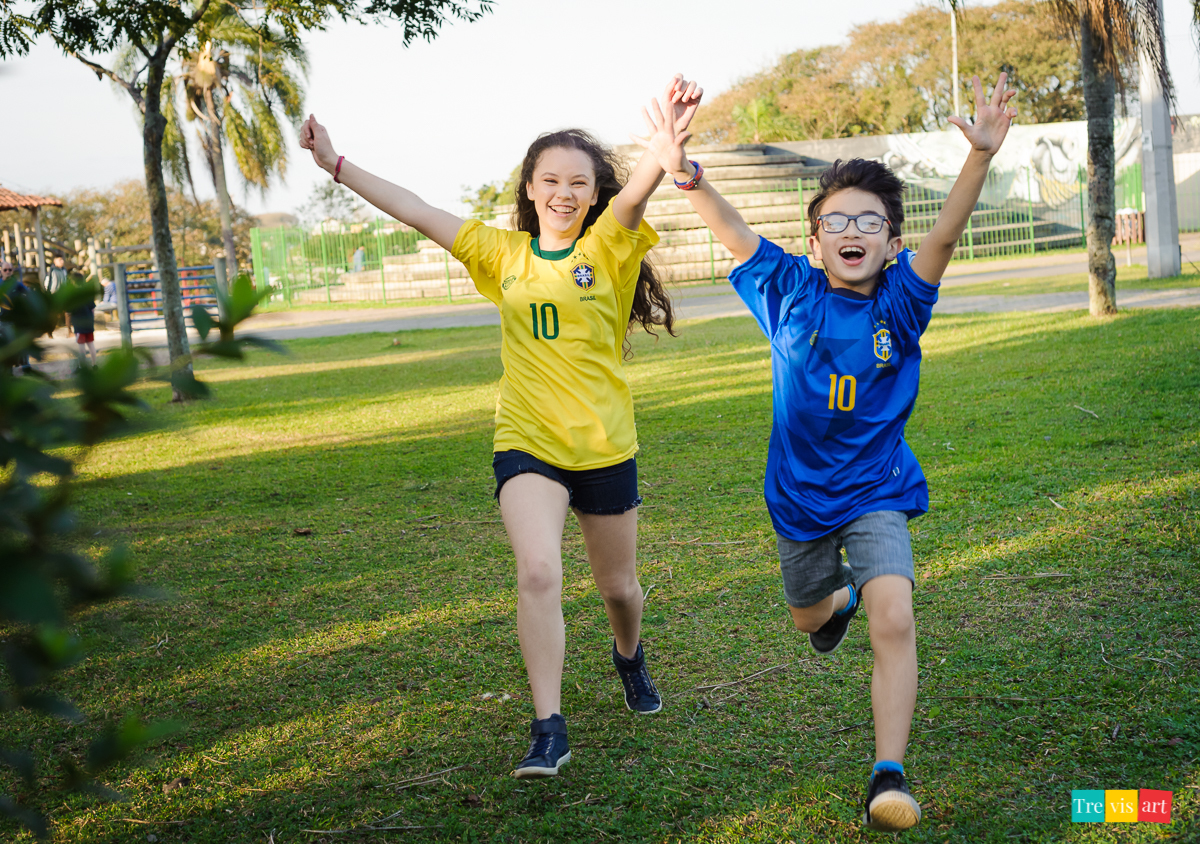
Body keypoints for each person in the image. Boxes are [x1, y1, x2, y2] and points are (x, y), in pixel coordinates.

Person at [636, 73, 1017, 832]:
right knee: (810, 619)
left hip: (877, 489)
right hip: (799, 501)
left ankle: (887, 773)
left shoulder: (902, 303)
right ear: (814, 243)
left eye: (870, 222)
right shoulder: (788, 293)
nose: (853, 230)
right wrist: (683, 169)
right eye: (837, 220)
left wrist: (978, 158)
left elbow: (944, 235)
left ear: (890, 242)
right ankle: (834, 597)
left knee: (896, 617)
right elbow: (732, 228)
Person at [299, 75, 702, 779]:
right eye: (550, 180)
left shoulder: (608, 246)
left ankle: (629, 655)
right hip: (526, 442)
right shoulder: (500, 254)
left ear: (593, 194)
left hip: (604, 446)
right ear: (529, 188)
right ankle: (549, 726)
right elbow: (416, 209)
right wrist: (335, 163)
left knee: (619, 590)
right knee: (540, 572)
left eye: (580, 182)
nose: (564, 192)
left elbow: (635, 196)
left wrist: (659, 151)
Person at [1, 259, 33, 374]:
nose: (8, 271)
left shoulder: (16, 284)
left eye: (10, 269)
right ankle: (8, 370)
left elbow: (28, 294)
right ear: (1, 271)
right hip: (2, 320)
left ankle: (26, 366)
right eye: (5, 270)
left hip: (15, 320)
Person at [68, 278, 98, 365]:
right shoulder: (87, 294)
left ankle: (82, 366)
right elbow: (93, 309)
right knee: (91, 344)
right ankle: (94, 364)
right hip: (88, 322)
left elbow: (69, 311)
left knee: (81, 346)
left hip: (79, 323)